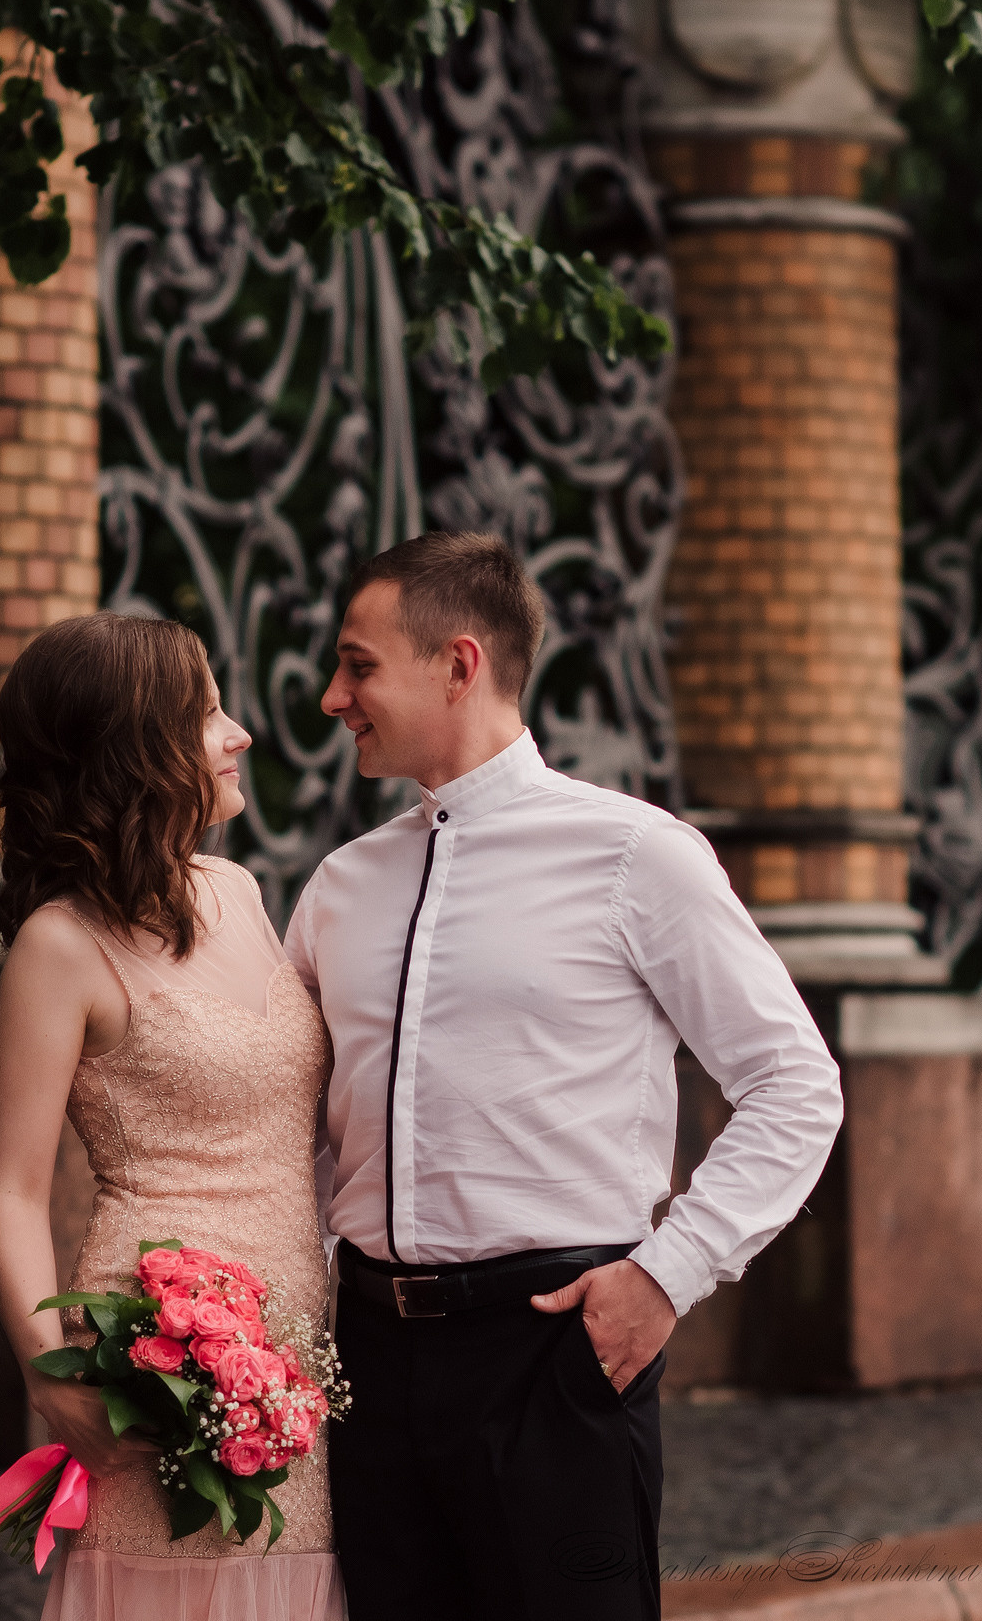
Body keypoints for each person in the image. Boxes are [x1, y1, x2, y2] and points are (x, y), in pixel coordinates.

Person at [284, 531, 845, 1621]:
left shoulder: (637, 855)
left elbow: (793, 1081)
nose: (330, 697)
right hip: (369, 1364)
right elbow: (301, 1121)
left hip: (555, 1349)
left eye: (357, 665)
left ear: (458, 664)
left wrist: (665, 1276)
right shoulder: (338, 887)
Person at [0, 613, 343, 1621]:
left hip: (293, 1346)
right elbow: (9, 1185)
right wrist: (46, 1380)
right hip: (157, 1357)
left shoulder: (237, 889)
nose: (241, 735)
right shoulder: (59, 946)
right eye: (208, 714)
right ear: (134, 746)